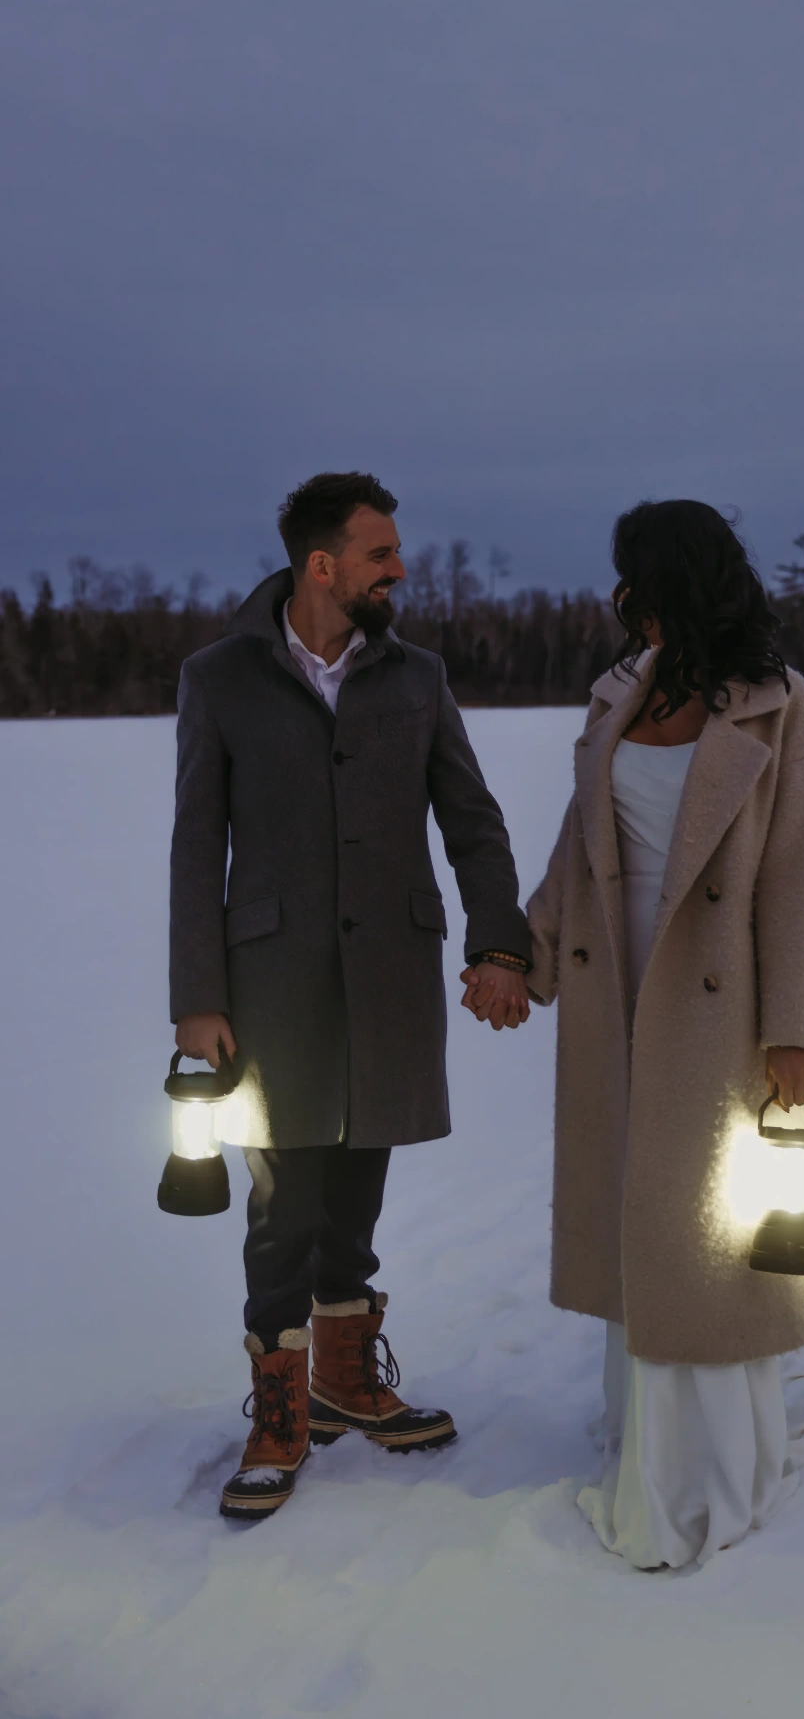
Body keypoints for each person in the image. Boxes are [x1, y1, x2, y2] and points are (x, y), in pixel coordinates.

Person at [170, 472, 531, 1520]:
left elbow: (472, 821)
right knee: (282, 1208)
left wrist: (498, 944)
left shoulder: (416, 676)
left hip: (387, 980)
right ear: (320, 564)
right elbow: (198, 842)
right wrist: (196, 992)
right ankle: (278, 1412)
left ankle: (342, 1380)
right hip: (267, 985)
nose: (399, 568)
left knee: (357, 1193)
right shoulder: (221, 677)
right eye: (380, 553)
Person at [507, 498, 804, 1569]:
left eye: (633, 579)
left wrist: (790, 1029)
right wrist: (521, 953)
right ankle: (640, 1443)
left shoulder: (778, 711)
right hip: (615, 996)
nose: (620, 600)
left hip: (716, 1008)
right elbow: (577, 848)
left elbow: (795, 879)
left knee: (702, 1243)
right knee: (639, 1223)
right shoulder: (617, 696)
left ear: (674, 583)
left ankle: (695, 1480)